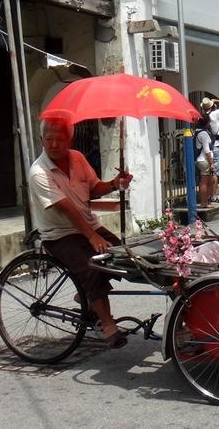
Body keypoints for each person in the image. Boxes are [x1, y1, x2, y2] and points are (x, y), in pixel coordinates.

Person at [28, 118, 133, 348]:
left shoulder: (77, 158)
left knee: (122, 256)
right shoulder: (39, 172)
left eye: (60, 139)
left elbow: (94, 188)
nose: (54, 144)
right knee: (92, 267)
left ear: (70, 140)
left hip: (87, 225)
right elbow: (67, 209)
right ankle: (108, 326)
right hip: (59, 233)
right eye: (49, 139)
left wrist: (115, 183)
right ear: (41, 140)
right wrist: (92, 236)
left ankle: (86, 296)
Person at [201, 97, 219, 204]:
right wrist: (218, 101)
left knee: (207, 173)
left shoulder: (203, 116)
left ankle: (208, 195)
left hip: (206, 147)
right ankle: (213, 196)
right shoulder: (215, 114)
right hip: (216, 145)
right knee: (215, 172)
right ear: (211, 106)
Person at [194, 116, 215, 208]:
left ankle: (207, 201)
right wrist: (211, 163)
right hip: (204, 160)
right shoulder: (204, 134)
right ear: (206, 123)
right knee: (204, 182)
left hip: (202, 160)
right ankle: (204, 203)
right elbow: (207, 150)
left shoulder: (198, 131)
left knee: (211, 180)